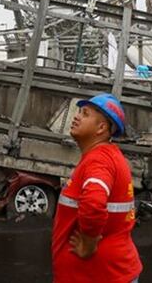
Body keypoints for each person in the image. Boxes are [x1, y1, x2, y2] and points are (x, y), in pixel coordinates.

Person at [51, 92, 141, 283]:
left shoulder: (99, 160)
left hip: (99, 275)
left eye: (85, 114)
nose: (76, 116)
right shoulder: (106, 156)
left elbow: (93, 203)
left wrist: (89, 243)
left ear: (101, 128)